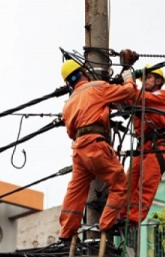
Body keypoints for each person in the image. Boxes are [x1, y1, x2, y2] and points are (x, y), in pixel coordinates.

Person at [58, 60, 136, 240]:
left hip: (79, 149)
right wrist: (128, 78)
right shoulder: (97, 87)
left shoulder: (68, 103)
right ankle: (106, 224)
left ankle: (66, 232)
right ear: (84, 73)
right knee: (119, 182)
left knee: (76, 190)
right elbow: (128, 92)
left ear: (69, 82)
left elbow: (70, 132)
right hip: (96, 144)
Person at [121, 65, 165, 225]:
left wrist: (129, 81)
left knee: (146, 184)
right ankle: (121, 215)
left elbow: (139, 97)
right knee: (127, 184)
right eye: (142, 79)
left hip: (158, 145)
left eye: (148, 77)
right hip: (142, 148)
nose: (144, 81)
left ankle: (132, 218)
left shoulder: (162, 96)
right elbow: (127, 98)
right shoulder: (140, 97)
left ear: (158, 80)